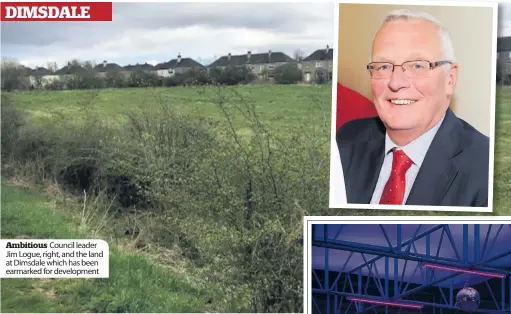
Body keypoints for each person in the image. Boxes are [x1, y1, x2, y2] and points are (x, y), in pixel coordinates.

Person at [335, 9, 490, 207]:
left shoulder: (486, 170)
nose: (396, 82)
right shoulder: (346, 139)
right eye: (383, 66)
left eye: (418, 65)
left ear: (450, 79)